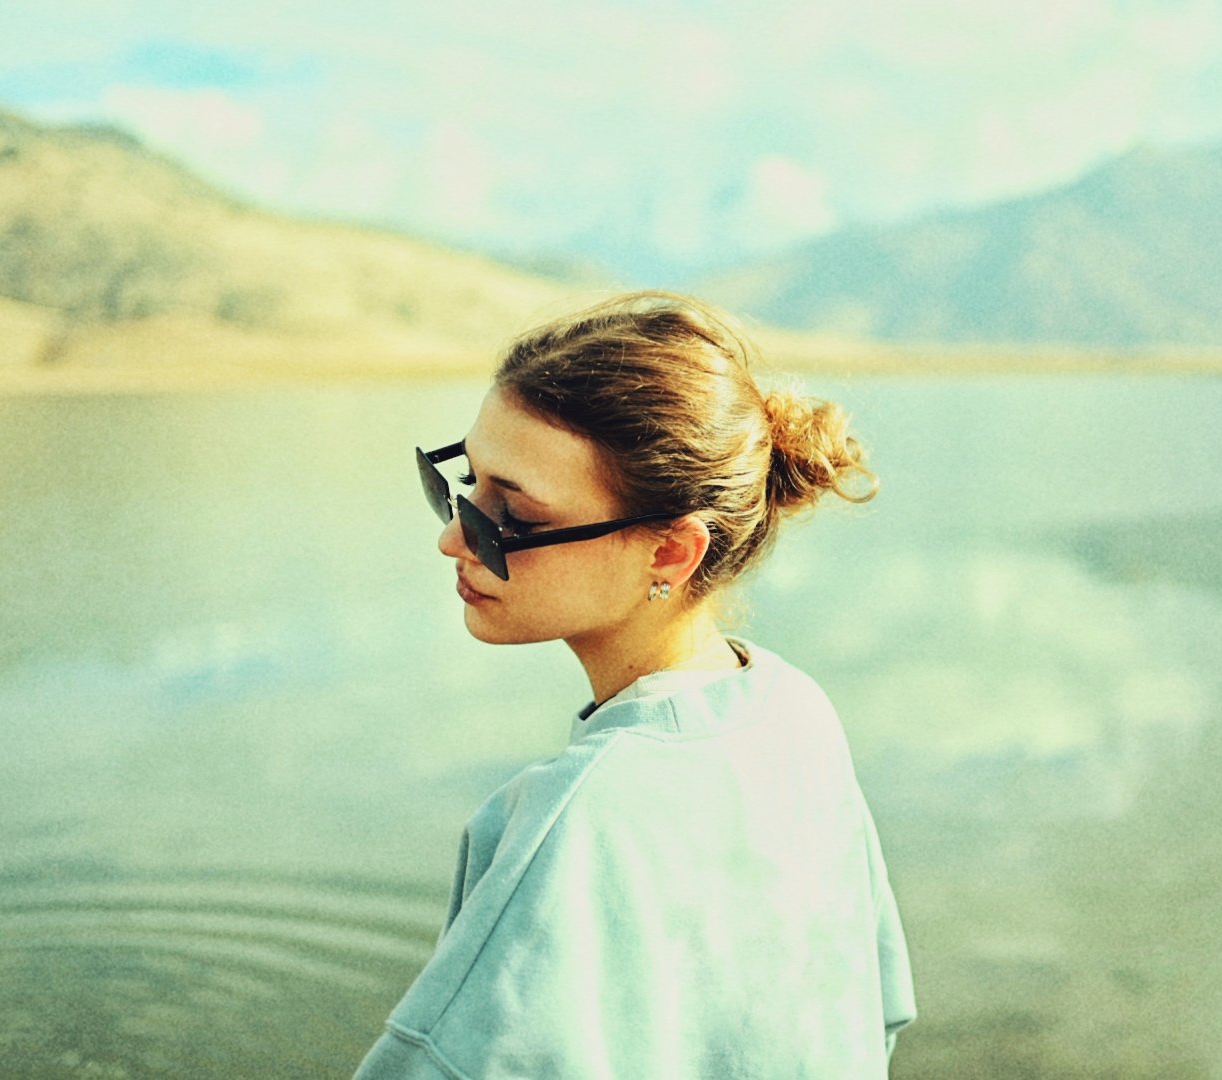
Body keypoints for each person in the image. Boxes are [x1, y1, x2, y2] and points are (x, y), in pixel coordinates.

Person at [354, 292, 916, 1079]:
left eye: (508, 512)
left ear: (671, 554)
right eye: (463, 481)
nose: (454, 535)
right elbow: (867, 1013)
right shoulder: (794, 712)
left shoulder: (578, 819)